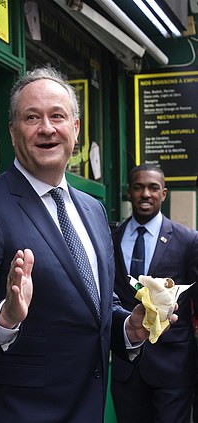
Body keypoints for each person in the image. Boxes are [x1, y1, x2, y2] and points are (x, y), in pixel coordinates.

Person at [0, 66, 166, 423]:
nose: (47, 128)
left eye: (57, 116)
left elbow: (97, 304)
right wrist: (6, 317)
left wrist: (130, 327)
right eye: (32, 117)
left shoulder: (93, 211)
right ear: (13, 132)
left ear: (75, 129)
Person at [111, 164, 198, 423]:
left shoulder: (187, 240)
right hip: (126, 369)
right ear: (129, 193)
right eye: (138, 187)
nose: (145, 194)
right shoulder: (112, 237)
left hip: (173, 369)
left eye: (153, 188)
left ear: (164, 194)